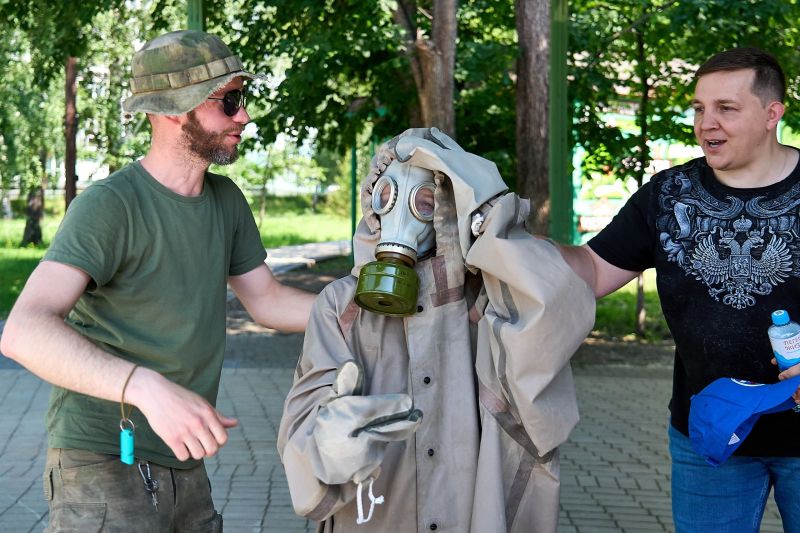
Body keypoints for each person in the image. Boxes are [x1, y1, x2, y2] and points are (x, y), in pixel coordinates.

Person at [0, 30, 316, 531]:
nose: (244, 117)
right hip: (101, 460)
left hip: (186, 460)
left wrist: (359, 303)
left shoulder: (226, 201)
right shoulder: (110, 206)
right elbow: (22, 331)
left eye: (242, 100)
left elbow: (268, 301)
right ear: (174, 108)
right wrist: (142, 386)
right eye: (229, 101)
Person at [277, 127, 595, 532]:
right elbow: (303, 414)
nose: (401, 217)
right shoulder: (341, 306)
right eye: (387, 198)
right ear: (373, 205)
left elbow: (554, 308)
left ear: (450, 208)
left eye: (424, 203)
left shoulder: (489, 300)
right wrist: (326, 444)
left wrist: (490, 221)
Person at [559, 47, 800, 532]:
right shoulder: (669, 194)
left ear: (772, 114)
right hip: (709, 434)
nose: (706, 123)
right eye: (699, 108)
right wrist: (510, 250)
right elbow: (593, 270)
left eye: (726, 108)